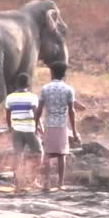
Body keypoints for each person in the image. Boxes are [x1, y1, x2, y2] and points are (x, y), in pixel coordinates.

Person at [35, 61, 79, 191]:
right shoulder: (68, 89)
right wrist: (75, 131)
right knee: (62, 155)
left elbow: (39, 109)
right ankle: (60, 183)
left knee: (47, 154)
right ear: (64, 74)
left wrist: (35, 124)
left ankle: (46, 183)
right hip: (61, 125)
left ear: (51, 73)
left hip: (49, 124)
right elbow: (71, 111)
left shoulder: (45, 89)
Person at [5, 73, 43, 189]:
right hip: (29, 129)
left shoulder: (10, 97)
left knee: (18, 155)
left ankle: (18, 182)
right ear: (28, 84)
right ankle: (33, 180)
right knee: (39, 152)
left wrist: (10, 127)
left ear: (17, 84)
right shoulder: (32, 97)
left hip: (16, 129)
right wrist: (39, 127)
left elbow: (7, 115)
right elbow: (37, 114)